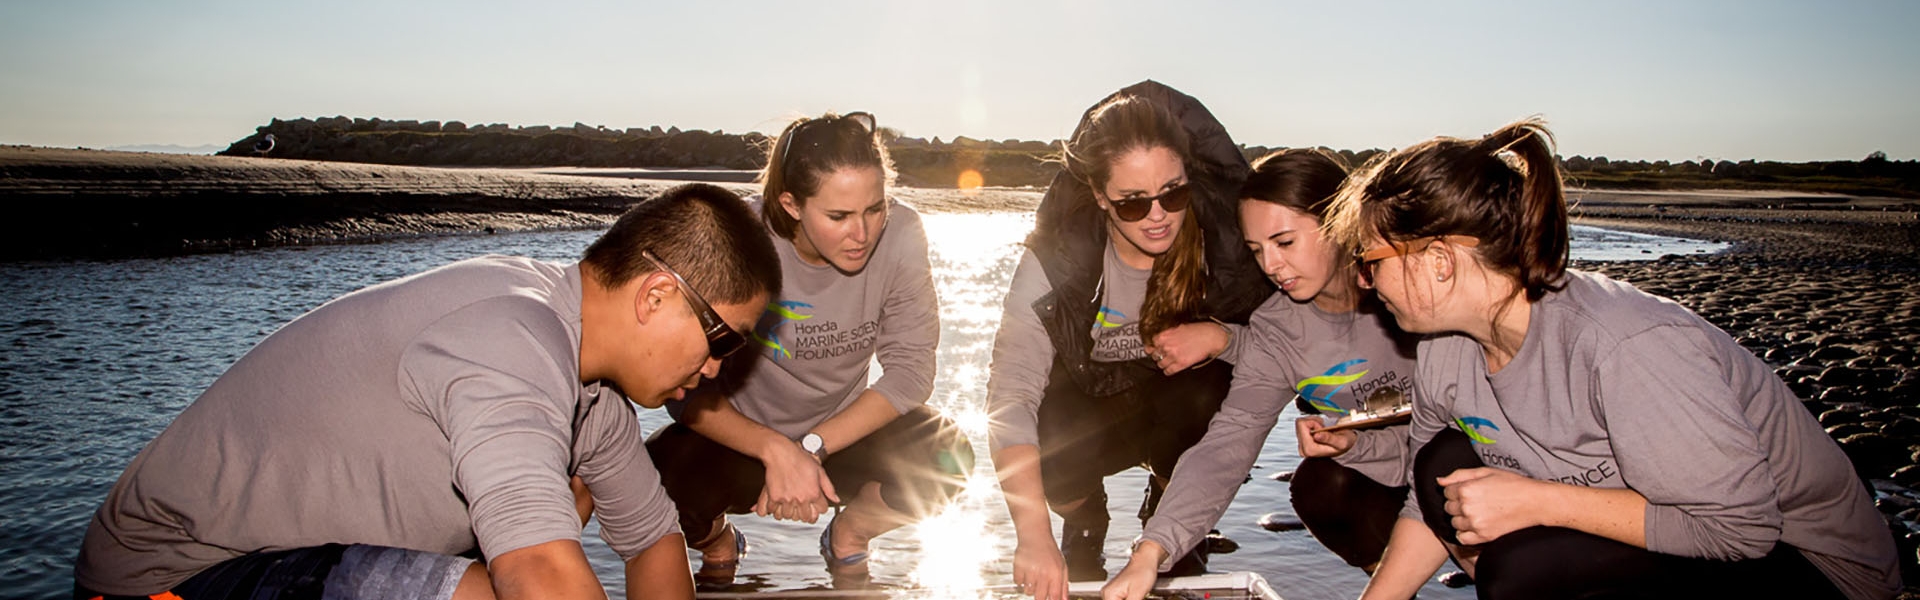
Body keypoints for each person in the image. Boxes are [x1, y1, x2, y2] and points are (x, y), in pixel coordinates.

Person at [73, 182, 782, 600]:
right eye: (724, 339)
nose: (719, 369)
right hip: (169, 577)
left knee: (570, 507)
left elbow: (655, 543)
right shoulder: (513, 335)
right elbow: (536, 569)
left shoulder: (594, 394)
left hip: (299, 560)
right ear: (658, 295)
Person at [1325, 119, 1901, 600]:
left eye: (1370, 260)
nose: (1364, 280)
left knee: (1528, 570)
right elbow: (1427, 510)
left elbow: (1740, 529)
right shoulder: (1445, 348)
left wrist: (1538, 501)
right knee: (1439, 462)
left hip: (1809, 568)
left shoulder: (1625, 344)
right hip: (1671, 543)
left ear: (1440, 261)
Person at [645, 111, 972, 590]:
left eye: (874, 209)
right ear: (791, 204)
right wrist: (775, 451)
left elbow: (911, 372)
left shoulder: (902, 233)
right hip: (742, 445)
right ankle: (718, 542)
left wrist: (812, 448)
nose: (862, 235)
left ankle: (848, 535)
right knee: (652, 481)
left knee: (949, 456)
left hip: (838, 442)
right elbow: (679, 385)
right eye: (838, 217)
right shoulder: (736, 237)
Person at [986, 80, 1268, 600]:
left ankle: (1170, 509)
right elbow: (1010, 398)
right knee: (1053, 441)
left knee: (1205, 397)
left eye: (1174, 193)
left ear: (1190, 178)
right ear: (1099, 196)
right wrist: (1032, 536)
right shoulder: (1054, 260)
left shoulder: (1229, 245)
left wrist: (1220, 336)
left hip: (1180, 402)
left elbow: (1282, 352)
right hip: (1092, 407)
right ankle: (1085, 519)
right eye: (1134, 203)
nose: (1159, 215)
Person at [1102, 149, 1420, 600]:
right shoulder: (1277, 330)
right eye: (1256, 250)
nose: (1271, 266)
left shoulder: (1412, 286)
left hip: (1472, 460)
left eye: (1284, 242)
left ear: (1340, 221)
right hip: (1394, 466)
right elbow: (1228, 443)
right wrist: (1150, 552)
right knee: (1320, 485)